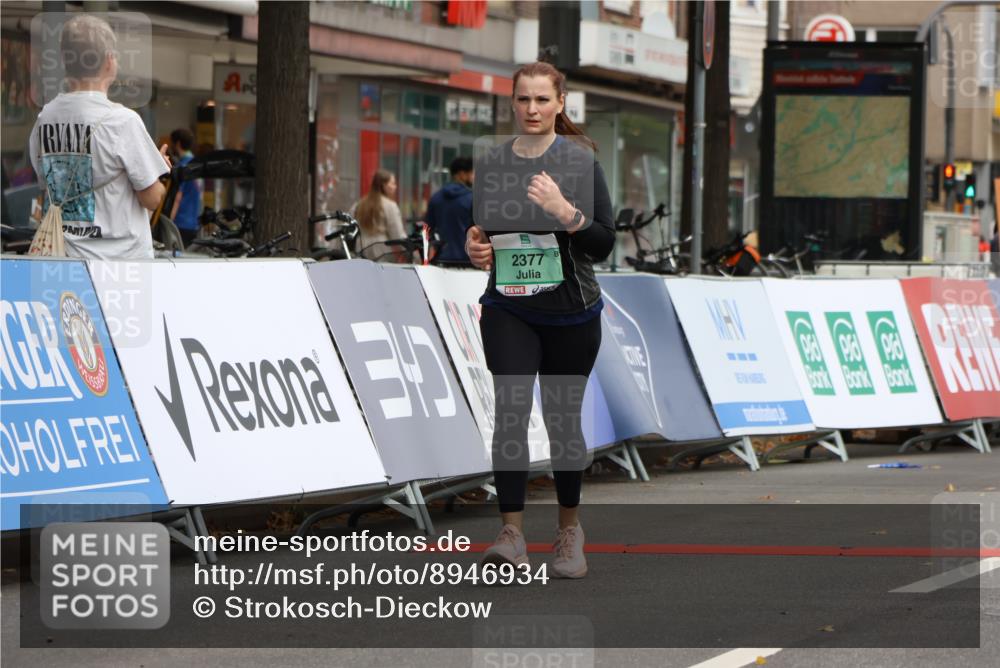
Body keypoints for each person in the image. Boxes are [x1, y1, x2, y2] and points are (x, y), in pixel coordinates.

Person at [466, 61, 614, 579]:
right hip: (509, 305)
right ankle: (510, 533)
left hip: (570, 311)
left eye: (541, 100)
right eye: (523, 100)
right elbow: (484, 231)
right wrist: (475, 246)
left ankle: (569, 531)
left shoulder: (580, 163)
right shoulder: (492, 162)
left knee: (561, 422)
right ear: (512, 103)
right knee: (509, 409)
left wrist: (564, 211)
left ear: (560, 104)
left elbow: (603, 243)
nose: (532, 109)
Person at [28, 14, 171, 260]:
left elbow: (48, 184)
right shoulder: (123, 122)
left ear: (64, 60)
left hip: (64, 259)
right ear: (109, 61)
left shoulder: (45, 119)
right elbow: (151, 198)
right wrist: (158, 171)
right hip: (121, 267)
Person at [424, 156, 474, 264]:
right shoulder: (472, 199)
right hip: (469, 261)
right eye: (472, 173)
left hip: (442, 259)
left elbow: (427, 230)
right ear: (462, 174)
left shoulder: (436, 198)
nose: (474, 177)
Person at [350, 168, 406, 260]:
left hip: (360, 249)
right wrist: (412, 251)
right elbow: (397, 235)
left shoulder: (359, 204)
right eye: (392, 183)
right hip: (381, 252)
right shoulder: (390, 206)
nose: (395, 187)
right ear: (383, 185)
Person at [168, 128, 202, 247]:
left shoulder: (182, 167)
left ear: (177, 143)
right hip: (193, 221)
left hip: (180, 222)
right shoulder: (196, 164)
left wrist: (169, 221)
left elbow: (178, 196)